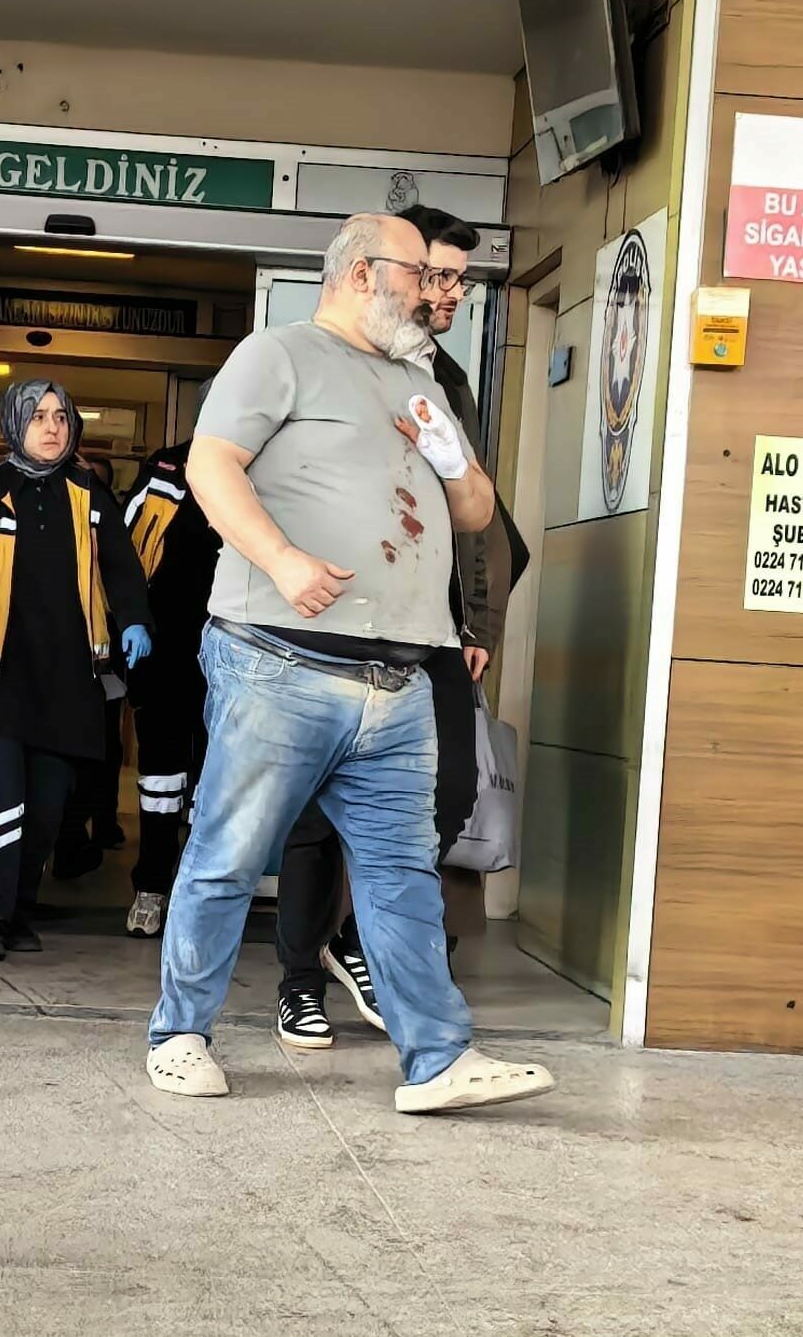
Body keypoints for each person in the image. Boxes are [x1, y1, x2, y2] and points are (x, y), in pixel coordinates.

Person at [146, 213, 553, 1113]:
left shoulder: (419, 378)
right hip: (277, 661)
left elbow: (475, 513)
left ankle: (437, 1058)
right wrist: (282, 560)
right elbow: (212, 467)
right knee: (226, 857)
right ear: (363, 273)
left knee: (403, 873)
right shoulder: (278, 354)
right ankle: (178, 1035)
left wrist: (450, 457)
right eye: (419, 274)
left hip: (399, 675)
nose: (434, 292)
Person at [274, 205, 531, 1047]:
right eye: (436, 275)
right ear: (392, 276)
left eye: (458, 278)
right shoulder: (332, 359)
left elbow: (478, 512)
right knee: (313, 814)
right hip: (335, 619)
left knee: (448, 795)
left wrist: (477, 622)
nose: (449, 292)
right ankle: (297, 983)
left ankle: (354, 943)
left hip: (430, 629)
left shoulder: (446, 377)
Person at [0, 381, 152, 960]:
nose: (52, 427)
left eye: (61, 417)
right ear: (15, 425)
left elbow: (122, 567)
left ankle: (17, 911)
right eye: (39, 416)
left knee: (44, 809)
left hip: (66, 682)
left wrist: (135, 619)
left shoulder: (89, 494)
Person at [122, 431, 220, 936]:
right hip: (164, 654)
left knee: (216, 785)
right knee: (160, 781)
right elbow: (123, 552)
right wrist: (129, 624)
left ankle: (198, 902)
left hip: (233, 656)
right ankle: (152, 888)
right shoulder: (168, 467)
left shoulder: (267, 466)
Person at [52, 453, 129, 879]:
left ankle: (95, 827)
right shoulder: (53, 521)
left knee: (101, 752)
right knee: (63, 755)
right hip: (58, 660)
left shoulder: (111, 529)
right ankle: (68, 839)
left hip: (102, 658)